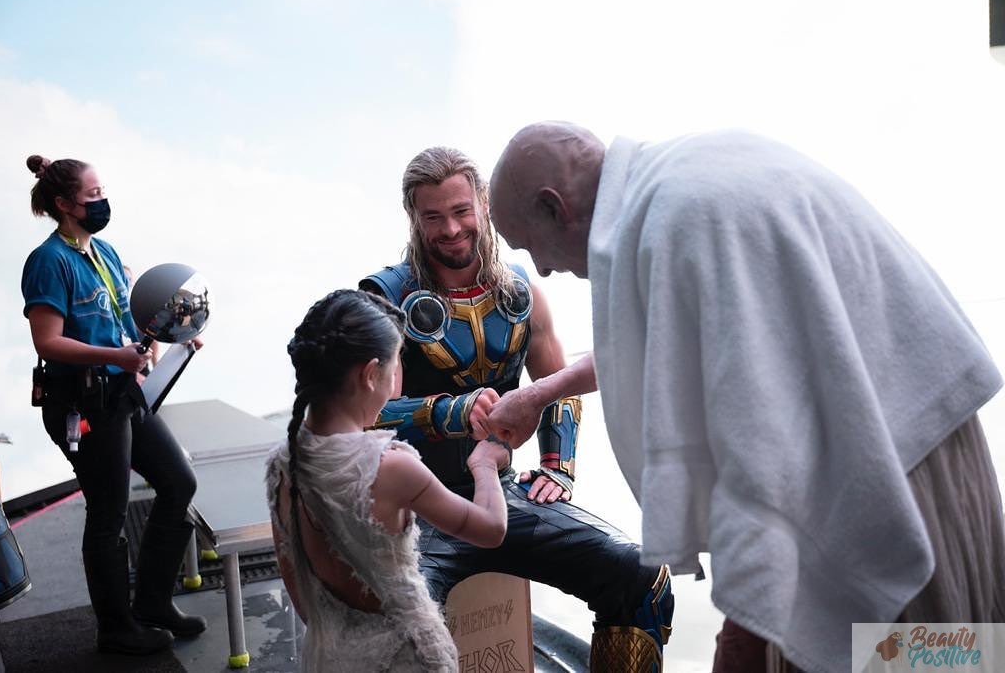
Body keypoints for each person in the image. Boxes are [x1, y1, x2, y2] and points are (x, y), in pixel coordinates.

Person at [487, 122, 1005, 673]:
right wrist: (542, 393)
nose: (541, 268)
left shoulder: (684, 220)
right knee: (958, 650)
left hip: (884, 467)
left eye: (528, 245)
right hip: (904, 429)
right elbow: (656, 348)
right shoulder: (676, 182)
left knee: (915, 657)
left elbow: (756, 436)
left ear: (555, 207)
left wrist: (746, 622)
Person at [359, 146, 673, 671]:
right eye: (433, 217)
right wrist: (450, 411)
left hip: (501, 496)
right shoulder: (384, 300)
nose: (452, 229)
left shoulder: (521, 289)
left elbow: (557, 385)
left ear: (483, 204)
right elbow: (368, 415)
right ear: (414, 217)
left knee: (640, 575)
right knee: (406, 630)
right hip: (415, 511)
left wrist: (558, 469)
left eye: (461, 211)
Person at [265, 289, 510, 672]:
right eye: (397, 366)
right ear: (369, 374)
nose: (398, 383)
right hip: (406, 659)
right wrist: (486, 466)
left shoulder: (283, 463)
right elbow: (491, 529)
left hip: (331, 655)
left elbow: (296, 584)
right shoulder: (390, 467)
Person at [20, 155, 205, 655]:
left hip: (123, 393)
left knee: (177, 482)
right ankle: (116, 628)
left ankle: (152, 603)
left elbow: (132, 321)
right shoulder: (48, 262)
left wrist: (175, 335)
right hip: (83, 403)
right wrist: (115, 357)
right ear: (63, 204)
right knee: (108, 512)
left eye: (103, 192)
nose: (102, 202)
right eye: (93, 195)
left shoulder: (104, 252)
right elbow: (47, 342)